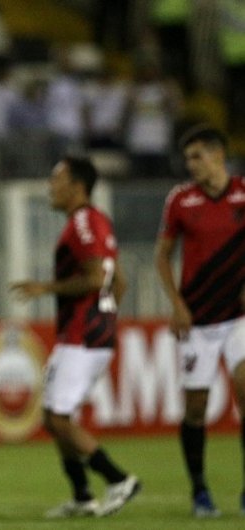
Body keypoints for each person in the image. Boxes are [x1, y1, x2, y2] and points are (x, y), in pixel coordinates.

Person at [11, 155, 140, 518]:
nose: (51, 186)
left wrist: (44, 288)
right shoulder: (96, 220)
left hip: (83, 335)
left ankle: (118, 479)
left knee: (58, 419)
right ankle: (83, 496)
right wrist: (108, 317)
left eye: (57, 179)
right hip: (90, 333)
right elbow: (121, 281)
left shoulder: (83, 221)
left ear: (77, 185)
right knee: (56, 416)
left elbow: (98, 277)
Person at [154, 125, 245, 517]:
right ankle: (200, 491)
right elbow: (162, 257)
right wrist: (176, 305)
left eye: (197, 157)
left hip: (238, 317)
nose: (191, 165)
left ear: (217, 155)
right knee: (196, 408)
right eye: (188, 158)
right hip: (197, 322)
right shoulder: (180, 200)